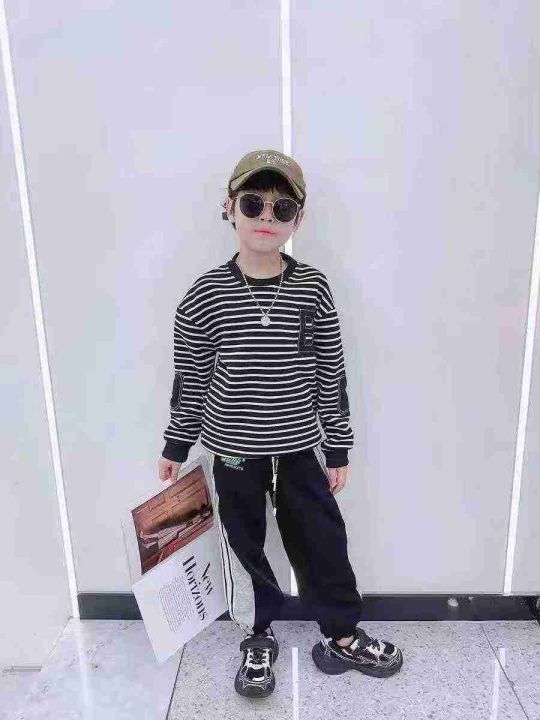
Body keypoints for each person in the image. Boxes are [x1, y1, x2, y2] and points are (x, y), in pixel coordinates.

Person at [158, 149, 403, 698]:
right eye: (253, 203)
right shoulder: (204, 295)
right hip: (232, 450)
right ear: (229, 208)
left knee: (322, 540)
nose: (267, 216)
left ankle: (341, 633)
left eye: (282, 207)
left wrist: (337, 447)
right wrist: (176, 443)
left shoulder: (312, 289)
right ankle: (257, 634)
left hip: (297, 449)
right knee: (244, 546)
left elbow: (330, 371)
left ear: (298, 219)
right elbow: (190, 377)